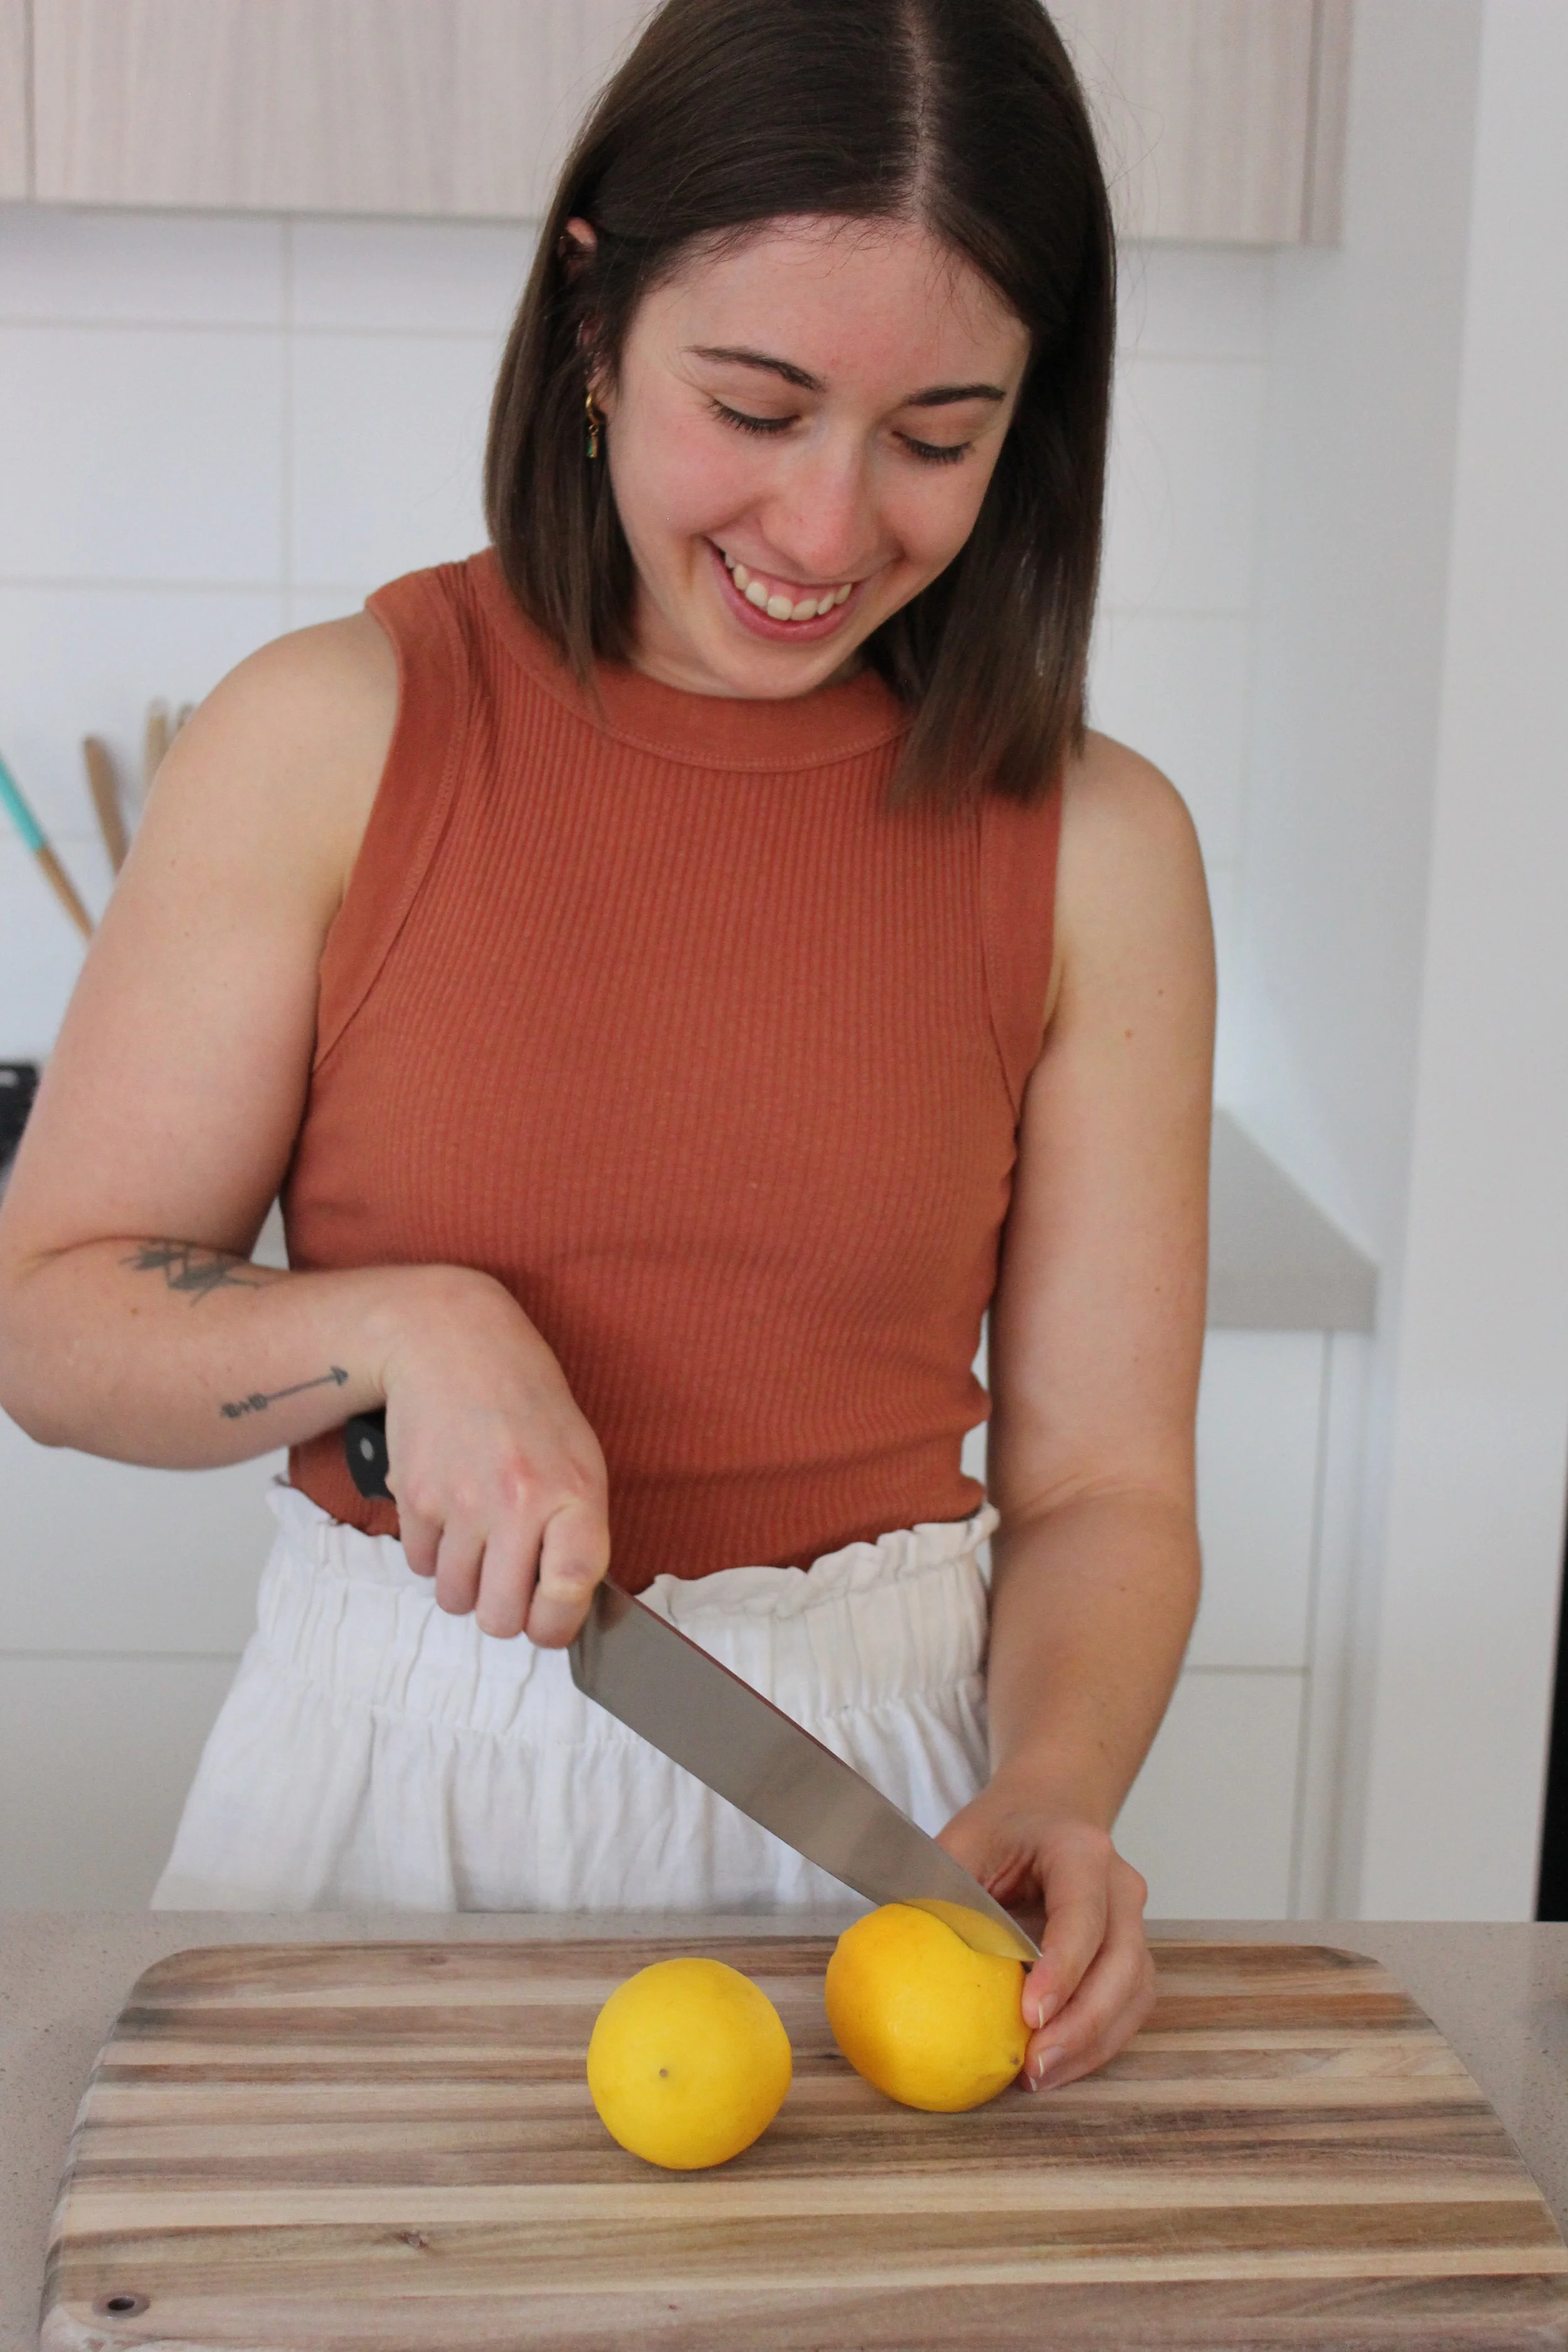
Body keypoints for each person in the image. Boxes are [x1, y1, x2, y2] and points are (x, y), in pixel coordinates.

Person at [0, 0, 1212, 2095]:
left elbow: (1102, 1482)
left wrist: (1059, 1775)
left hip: (874, 1827)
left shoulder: (1096, 844)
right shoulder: (331, 731)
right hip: (383, 1794)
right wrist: (403, 1323)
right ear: (591, 311)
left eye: (935, 436)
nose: (827, 530)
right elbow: (47, 1315)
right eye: (753, 404)